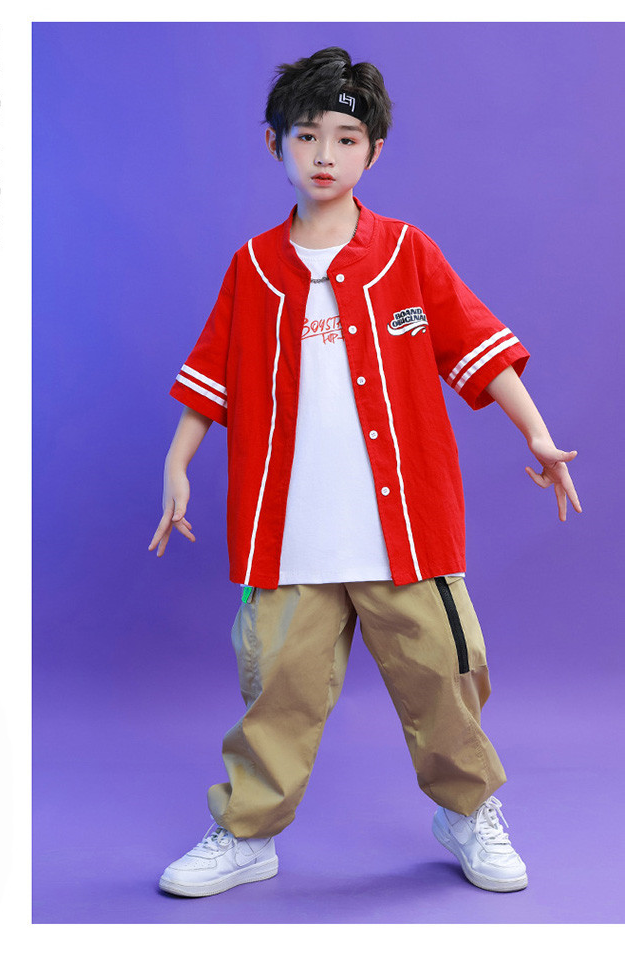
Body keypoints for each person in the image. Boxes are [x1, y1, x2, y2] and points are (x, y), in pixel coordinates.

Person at [148, 47, 581, 898]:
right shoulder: (252, 268)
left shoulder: (407, 254)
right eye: (306, 135)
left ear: (373, 152)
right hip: (289, 533)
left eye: (346, 139)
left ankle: (468, 810)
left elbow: (478, 347)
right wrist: (177, 459)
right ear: (273, 143)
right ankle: (247, 832)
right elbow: (212, 378)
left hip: (406, 530)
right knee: (276, 690)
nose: (324, 155)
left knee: (445, 676)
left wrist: (537, 432)